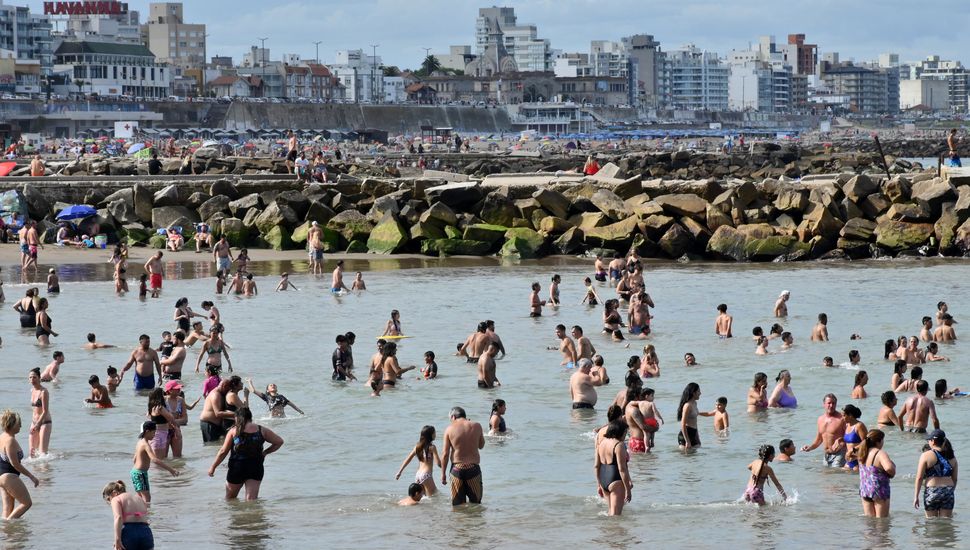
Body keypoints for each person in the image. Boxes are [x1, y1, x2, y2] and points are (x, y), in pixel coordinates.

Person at [208, 407, 284, 500]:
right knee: (251, 500)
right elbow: (279, 442)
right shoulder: (261, 430)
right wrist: (265, 452)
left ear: (237, 418)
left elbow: (223, 451)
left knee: (230, 499)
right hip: (255, 467)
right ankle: (251, 514)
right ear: (250, 417)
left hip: (237, 468)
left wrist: (213, 467)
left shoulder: (233, 431)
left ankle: (235, 514)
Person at [441, 406, 485, 506]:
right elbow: (481, 446)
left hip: (457, 470)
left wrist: (443, 474)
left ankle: (460, 521)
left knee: (458, 506)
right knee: (476, 504)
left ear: (453, 417)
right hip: (473, 470)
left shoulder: (449, 429)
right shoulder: (477, 425)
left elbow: (445, 454)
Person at [0, 410, 40, 519]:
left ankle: (5, 534)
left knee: (7, 508)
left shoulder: (2, 436)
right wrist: (31, 477)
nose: (21, 426)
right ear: (12, 424)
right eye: (19, 423)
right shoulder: (10, 441)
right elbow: (15, 464)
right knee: (26, 503)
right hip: (9, 476)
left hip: (2, 476)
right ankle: (9, 525)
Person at [131, 421, 179, 503]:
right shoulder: (145, 444)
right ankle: (147, 515)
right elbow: (154, 459)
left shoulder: (139, 442)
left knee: (140, 496)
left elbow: (134, 459)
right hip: (140, 473)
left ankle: (139, 512)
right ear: (147, 432)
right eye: (154, 432)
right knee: (147, 498)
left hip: (135, 472)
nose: (154, 435)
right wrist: (171, 470)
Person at [914, 429, 958, 518]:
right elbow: (955, 479)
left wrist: (916, 497)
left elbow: (919, 478)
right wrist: (949, 491)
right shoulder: (952, 457)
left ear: (933, 441)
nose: (928, 442)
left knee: (931, 522)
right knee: (946, 522)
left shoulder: (926, 455)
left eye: (929, 440)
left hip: (932, 490)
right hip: (948, 490)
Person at [595, 420, 632, 516]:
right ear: (620, 432)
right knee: (616, 516)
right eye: (625, 433)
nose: (625, 436)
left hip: (603, 478)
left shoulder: (601, 443)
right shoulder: (619, 445)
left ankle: (608, 531)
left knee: (610, 512)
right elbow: (622, 469)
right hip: (615, 479)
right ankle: (616, 531)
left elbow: (596, 466)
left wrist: (599, 484)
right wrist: (628, 490)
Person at [102, 480, 153, 550]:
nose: (110, 502)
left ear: (114, 493)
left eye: (108, 499)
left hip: (129, 532)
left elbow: (118, 517)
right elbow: (147, 517)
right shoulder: (139, 498)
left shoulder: (116, 499)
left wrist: (117, 539)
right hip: (146, 531)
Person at [801, 394, 847, 467]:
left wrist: (841, 442)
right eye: (829, 403)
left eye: (833, 403)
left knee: (836, 475)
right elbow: (819, 439)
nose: (831, 405)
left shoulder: (842, 419)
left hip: (840, 454)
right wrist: (810, 448)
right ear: (824, 404)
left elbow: (850, 436)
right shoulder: (820, 419)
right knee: (826, 477)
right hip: (826, 455)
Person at [395, 425, 441, 497]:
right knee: (435, 497)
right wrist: (445, 465)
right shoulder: (432, 447)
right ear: (430, 435)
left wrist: (399, 472)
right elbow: (438, 463)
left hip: (418, 475)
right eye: (434, 433)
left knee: (421, 499)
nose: (435, 434)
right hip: (426, 475)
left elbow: (408, 459)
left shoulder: (417, 447)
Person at [27, 368, 52, 457]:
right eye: (30, 378)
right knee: (32, 453)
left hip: (45, 423)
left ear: (39, 378)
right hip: (34, 423)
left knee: (42, 454)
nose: (32, 380)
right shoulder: (32, 390)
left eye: (34, 377)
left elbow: (45, 411)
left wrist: (38, 424)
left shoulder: (44, 392)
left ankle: (45, 470)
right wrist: (35, 424)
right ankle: (35, 471)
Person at [677, 383, 703, 450]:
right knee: (686, 457)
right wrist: (687, 441)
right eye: (698, 391)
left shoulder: (694, 403)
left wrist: (697, 437)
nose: (700, 393)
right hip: (685, 434)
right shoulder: (687, 405)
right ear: (693, 393)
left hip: (693, 433)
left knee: (694, 457)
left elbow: (695, 422)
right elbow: (683, 424)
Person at [842, 404, 867, 471]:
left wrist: (852, 450)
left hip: (858, 459)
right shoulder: (847, 425)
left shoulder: (859, 426)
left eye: (844, 415)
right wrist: (840, 440)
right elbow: (849, 441)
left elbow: (866, 442)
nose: (842, 417)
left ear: (850, 415)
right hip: (849, 460)